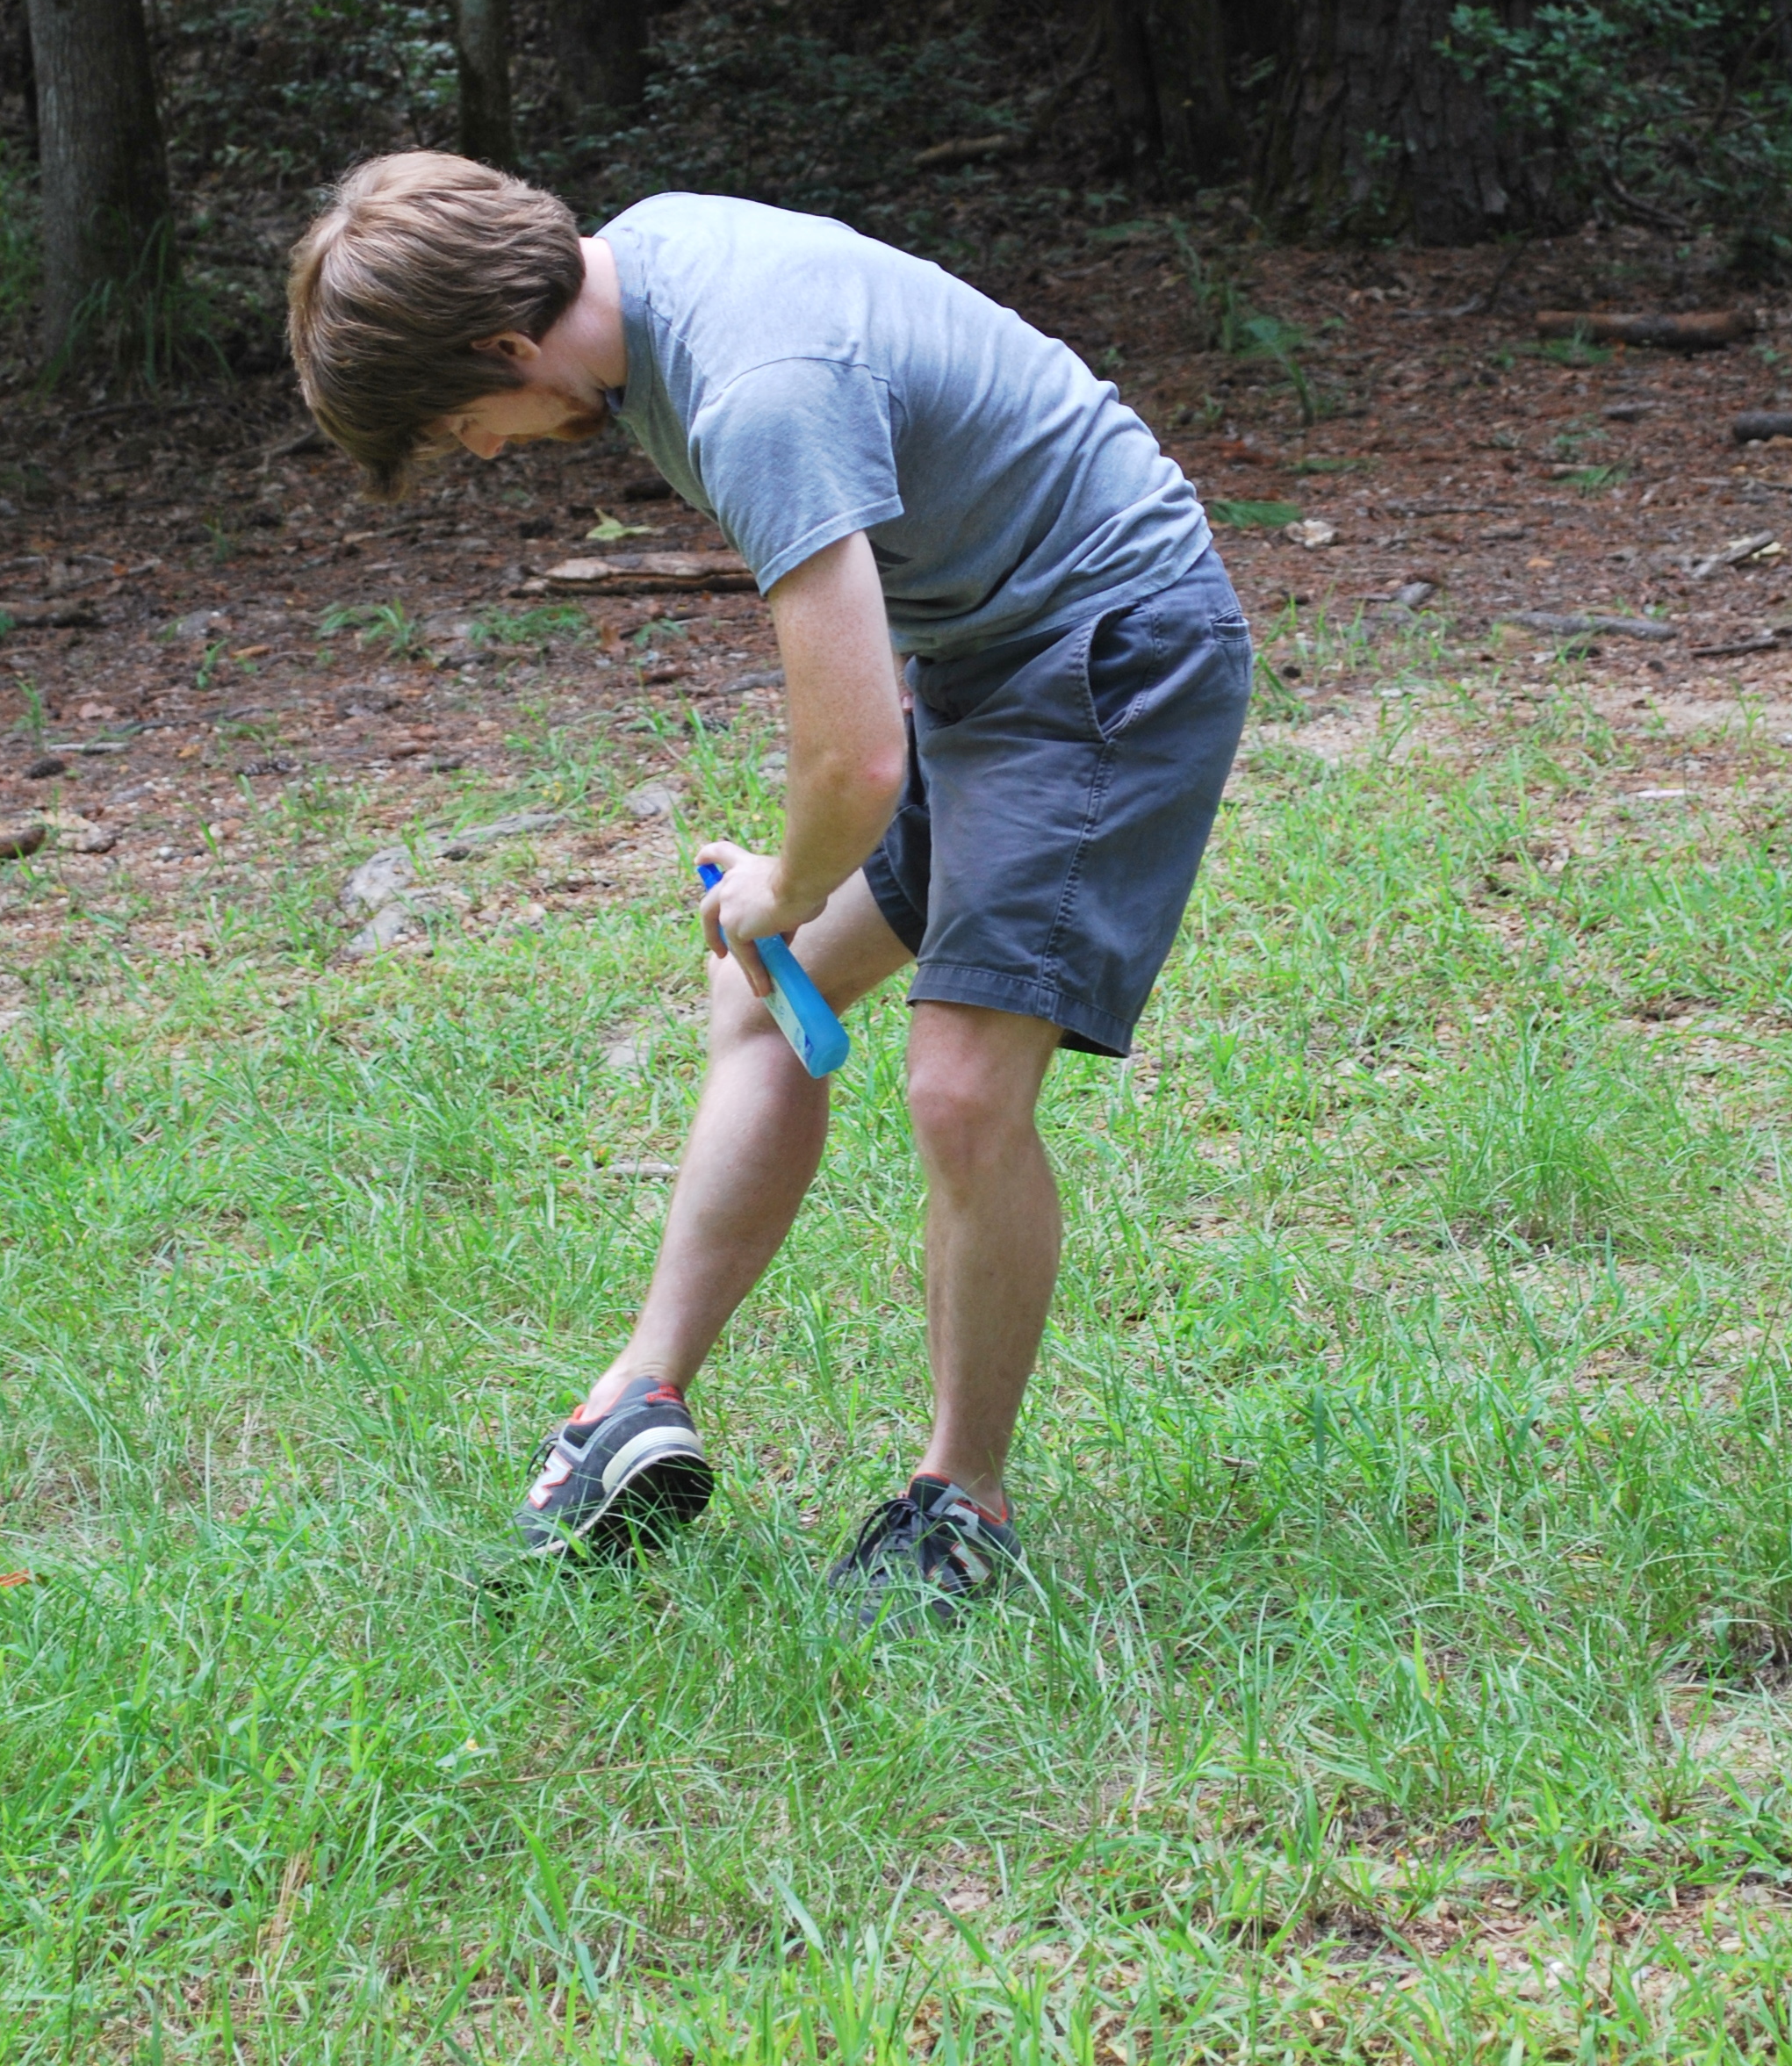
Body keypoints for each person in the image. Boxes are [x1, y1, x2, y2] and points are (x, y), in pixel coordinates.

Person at [285, 154, 1252, 1630]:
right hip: (981, 658)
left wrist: (787, 883)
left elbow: (856, 758)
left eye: (458, 423)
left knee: (959, 1089)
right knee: (760, 1002)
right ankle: (635, 1398)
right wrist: (786, 901)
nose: (481, 452)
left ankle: (964, 1505)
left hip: (1109, 649)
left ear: (505, 345)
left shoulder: (753, 389)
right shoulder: (648, 275)